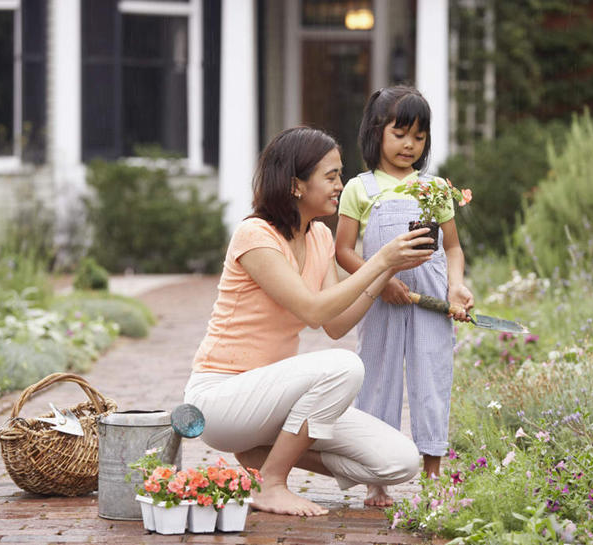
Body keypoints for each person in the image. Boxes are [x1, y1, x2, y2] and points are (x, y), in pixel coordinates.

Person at [183, 126, 437, 517]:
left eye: (341, 175)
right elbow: (313, 310)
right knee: (344, 367)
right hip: (220, 400)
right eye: (331, 176)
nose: (341, 185)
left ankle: (261, 456)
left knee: (398, 462)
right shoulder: (255, 235)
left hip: (275, 405)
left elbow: (335, 324)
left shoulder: (318, 235)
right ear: (296, 185)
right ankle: (271, 483)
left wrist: (386, 273)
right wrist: (380, 261)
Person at [335, 86, 475, 507]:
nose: (409, 144)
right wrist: (380, 280)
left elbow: (451, 247)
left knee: (432, 379)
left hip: (431, 298)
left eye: (419, 135)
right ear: (375, 133)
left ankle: (433, 474)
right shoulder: (360, 189)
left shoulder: (434, 188)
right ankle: (377, 480)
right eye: (400, 133)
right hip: (380, 299)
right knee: (377, 378)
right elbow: (343, 250)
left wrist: (456, 285)